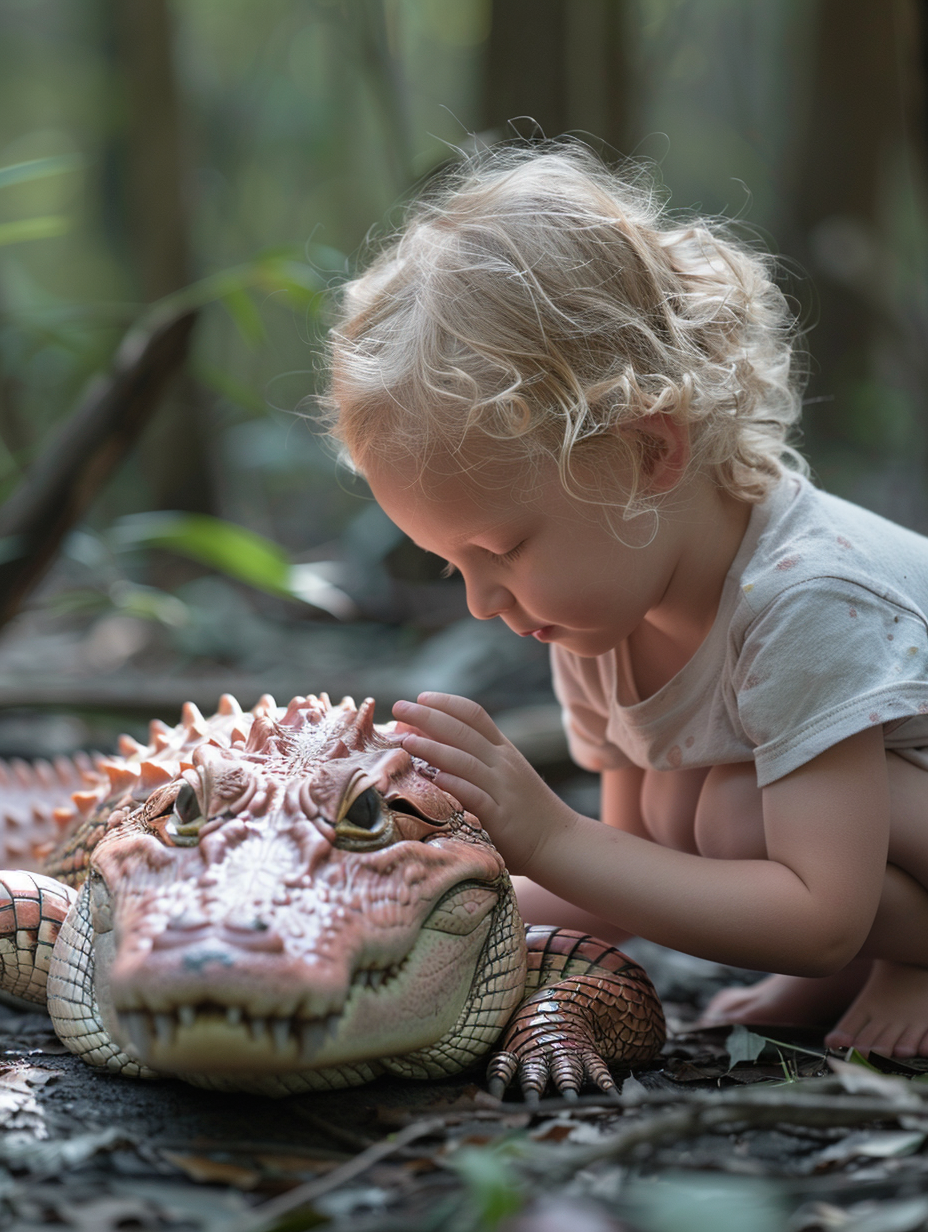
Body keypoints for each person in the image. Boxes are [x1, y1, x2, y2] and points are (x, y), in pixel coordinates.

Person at [319, 141, 928, 1058]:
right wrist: (402, 911)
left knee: (727, 814)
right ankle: (865, 972)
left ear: (650, 454)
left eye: (502, 549)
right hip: (862, 841)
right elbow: (626, 868)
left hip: (839, 879)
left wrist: (550, 835)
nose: (485, 601)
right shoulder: (599, 613)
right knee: (681, 813)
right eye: (452, 566)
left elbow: (818, 913)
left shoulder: (808, 600)